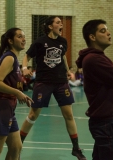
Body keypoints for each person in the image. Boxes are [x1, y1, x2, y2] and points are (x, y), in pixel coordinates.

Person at [20, 16, 86, 159]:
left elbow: (62, 57)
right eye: (57, 22)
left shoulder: (63, 42)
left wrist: (68, 70)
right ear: (50, 26)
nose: (61, 24)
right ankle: (17, 145)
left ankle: (76, 148)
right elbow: (26, 56)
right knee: (33, 114)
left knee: (69, 115)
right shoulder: (40, 42)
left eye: (61, 22)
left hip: (61, 82)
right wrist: (24, 68)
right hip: (43, 82)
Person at [75, 19, 113, 160]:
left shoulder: (100, 58)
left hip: (109, 121)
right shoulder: (94, 59)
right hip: (106, 123)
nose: (108, 33)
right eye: (103, 31)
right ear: (92, 37)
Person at [0, 28, 33, 160]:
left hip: (8, 108)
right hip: (0, 107)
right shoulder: (9, 59)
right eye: (19, 37)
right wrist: (17, 92)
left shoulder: (13, 58)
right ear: (10, 41)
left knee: (16, 147)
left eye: (24, 36)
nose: (23, 39)